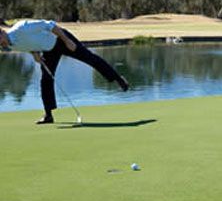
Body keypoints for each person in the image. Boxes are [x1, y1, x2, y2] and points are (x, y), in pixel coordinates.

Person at [0, 19, 129, 124]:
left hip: (61, 39)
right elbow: (30, 44)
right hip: (49, 50)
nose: (1, 45)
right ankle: (48, 115)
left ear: (2, 33)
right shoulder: (10, 45)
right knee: (46, 80)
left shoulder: (22, 27)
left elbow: (50, 25)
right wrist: (35, 54)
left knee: (90, 58)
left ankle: (118, 79)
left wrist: (67, 41)